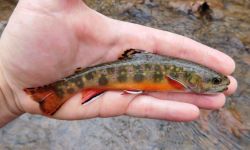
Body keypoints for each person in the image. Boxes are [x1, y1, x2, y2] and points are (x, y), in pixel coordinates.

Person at [0, 0, 237, 128]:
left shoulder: (183, 76)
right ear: (197, 80)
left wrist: (8, 94)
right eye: (215, 81)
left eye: (216, 81)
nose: (218, 83)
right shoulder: (180, 77)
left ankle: (53, 92)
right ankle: (55, 92)